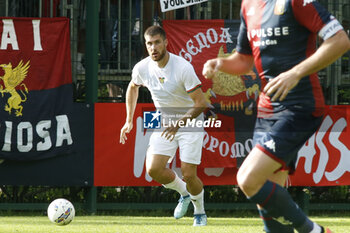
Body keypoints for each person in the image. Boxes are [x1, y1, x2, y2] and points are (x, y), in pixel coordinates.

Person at [203, 1, 350, 233]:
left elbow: (340, 40)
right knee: (270, 197)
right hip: (266, 110)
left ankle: (314, 231)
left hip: (299, 106)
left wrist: (295, 73)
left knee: (248, 179)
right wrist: (220, 63)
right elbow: (243, 60)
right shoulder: (248, 5)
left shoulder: (296, 2)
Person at [120, 25, 208, 226]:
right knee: (153, 169)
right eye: (149, 44)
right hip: (164, 123)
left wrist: (178, 124)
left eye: (157, 42)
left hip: (190, 123)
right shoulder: (142, 68)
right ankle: (184, 193)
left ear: (166, 42)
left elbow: (201, 104)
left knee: (188, 173)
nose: (153, 48)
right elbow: (133, 87)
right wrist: (128, 120)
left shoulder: (183, 67)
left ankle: (200, 212)